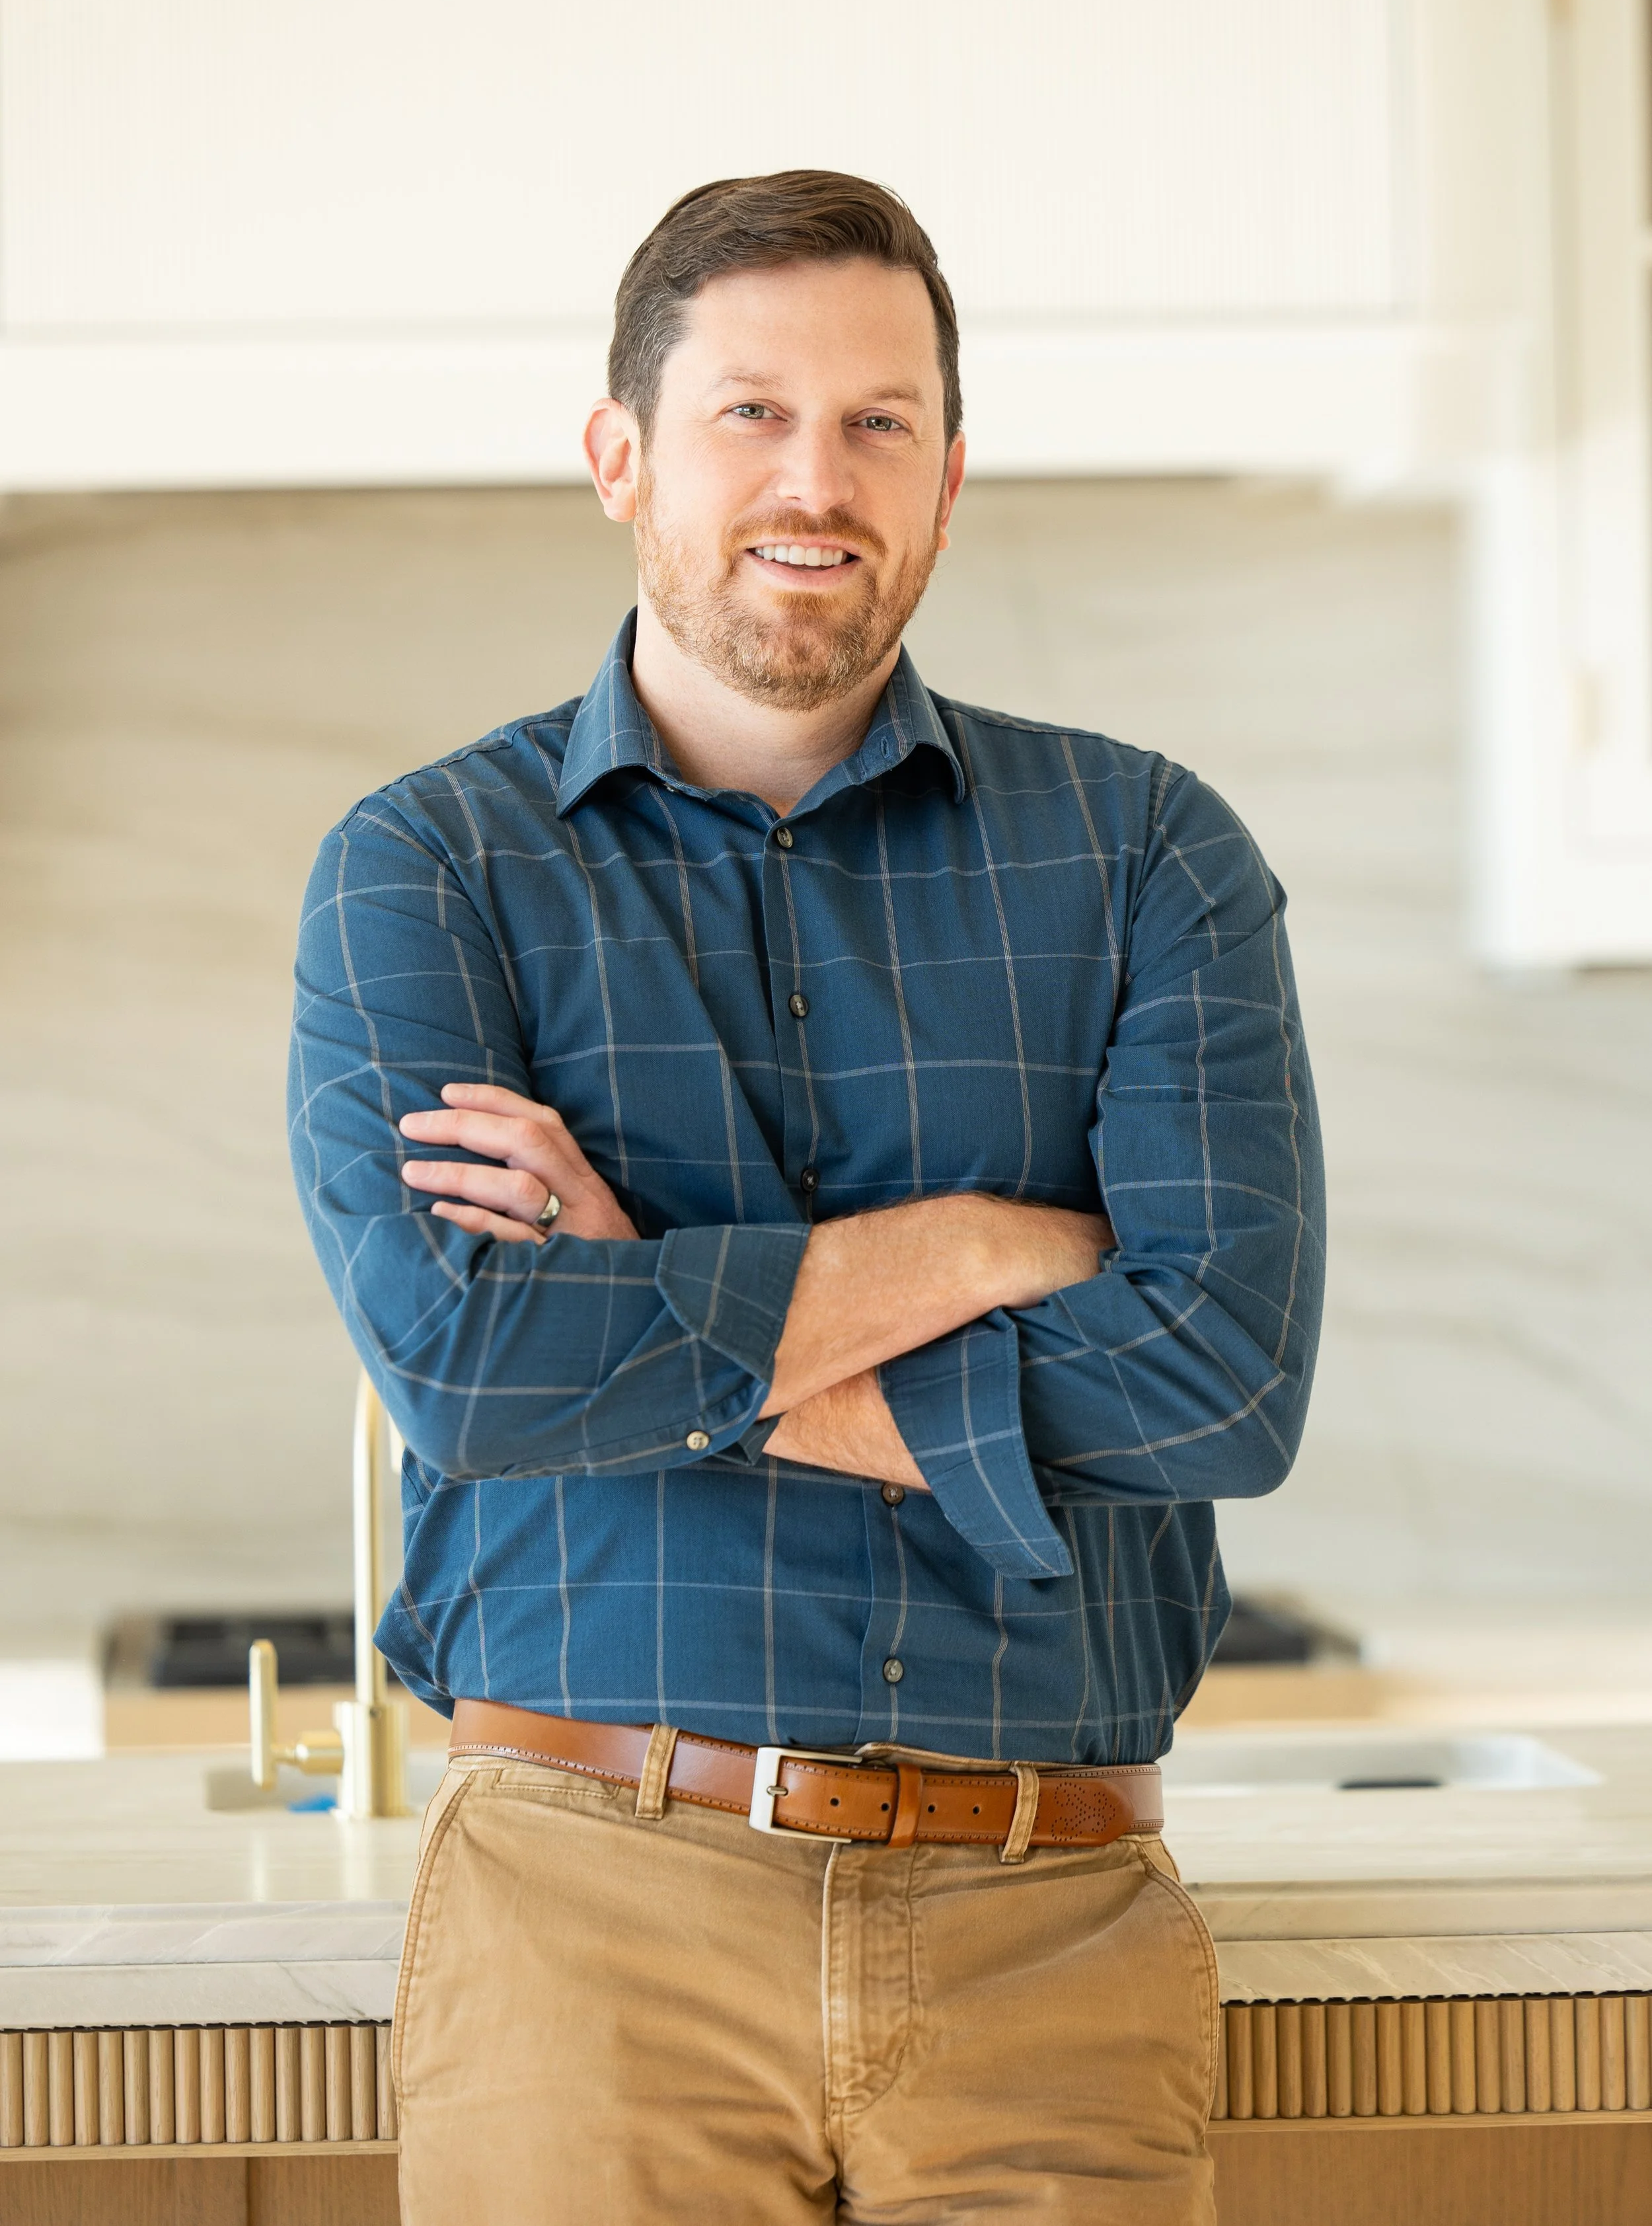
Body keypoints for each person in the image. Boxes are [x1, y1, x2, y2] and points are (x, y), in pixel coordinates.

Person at [289, 169, 1324, 2223]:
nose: (816, 478)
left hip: (1054, 1917)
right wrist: (975, 1253)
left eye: (878, 420)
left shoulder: (1142, 853)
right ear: (621, 458)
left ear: (949, 473)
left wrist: (652, 1308)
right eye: (748, 411)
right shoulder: (429, 868)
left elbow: (1219, 1391)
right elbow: (479, 1371)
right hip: (595, 1899)